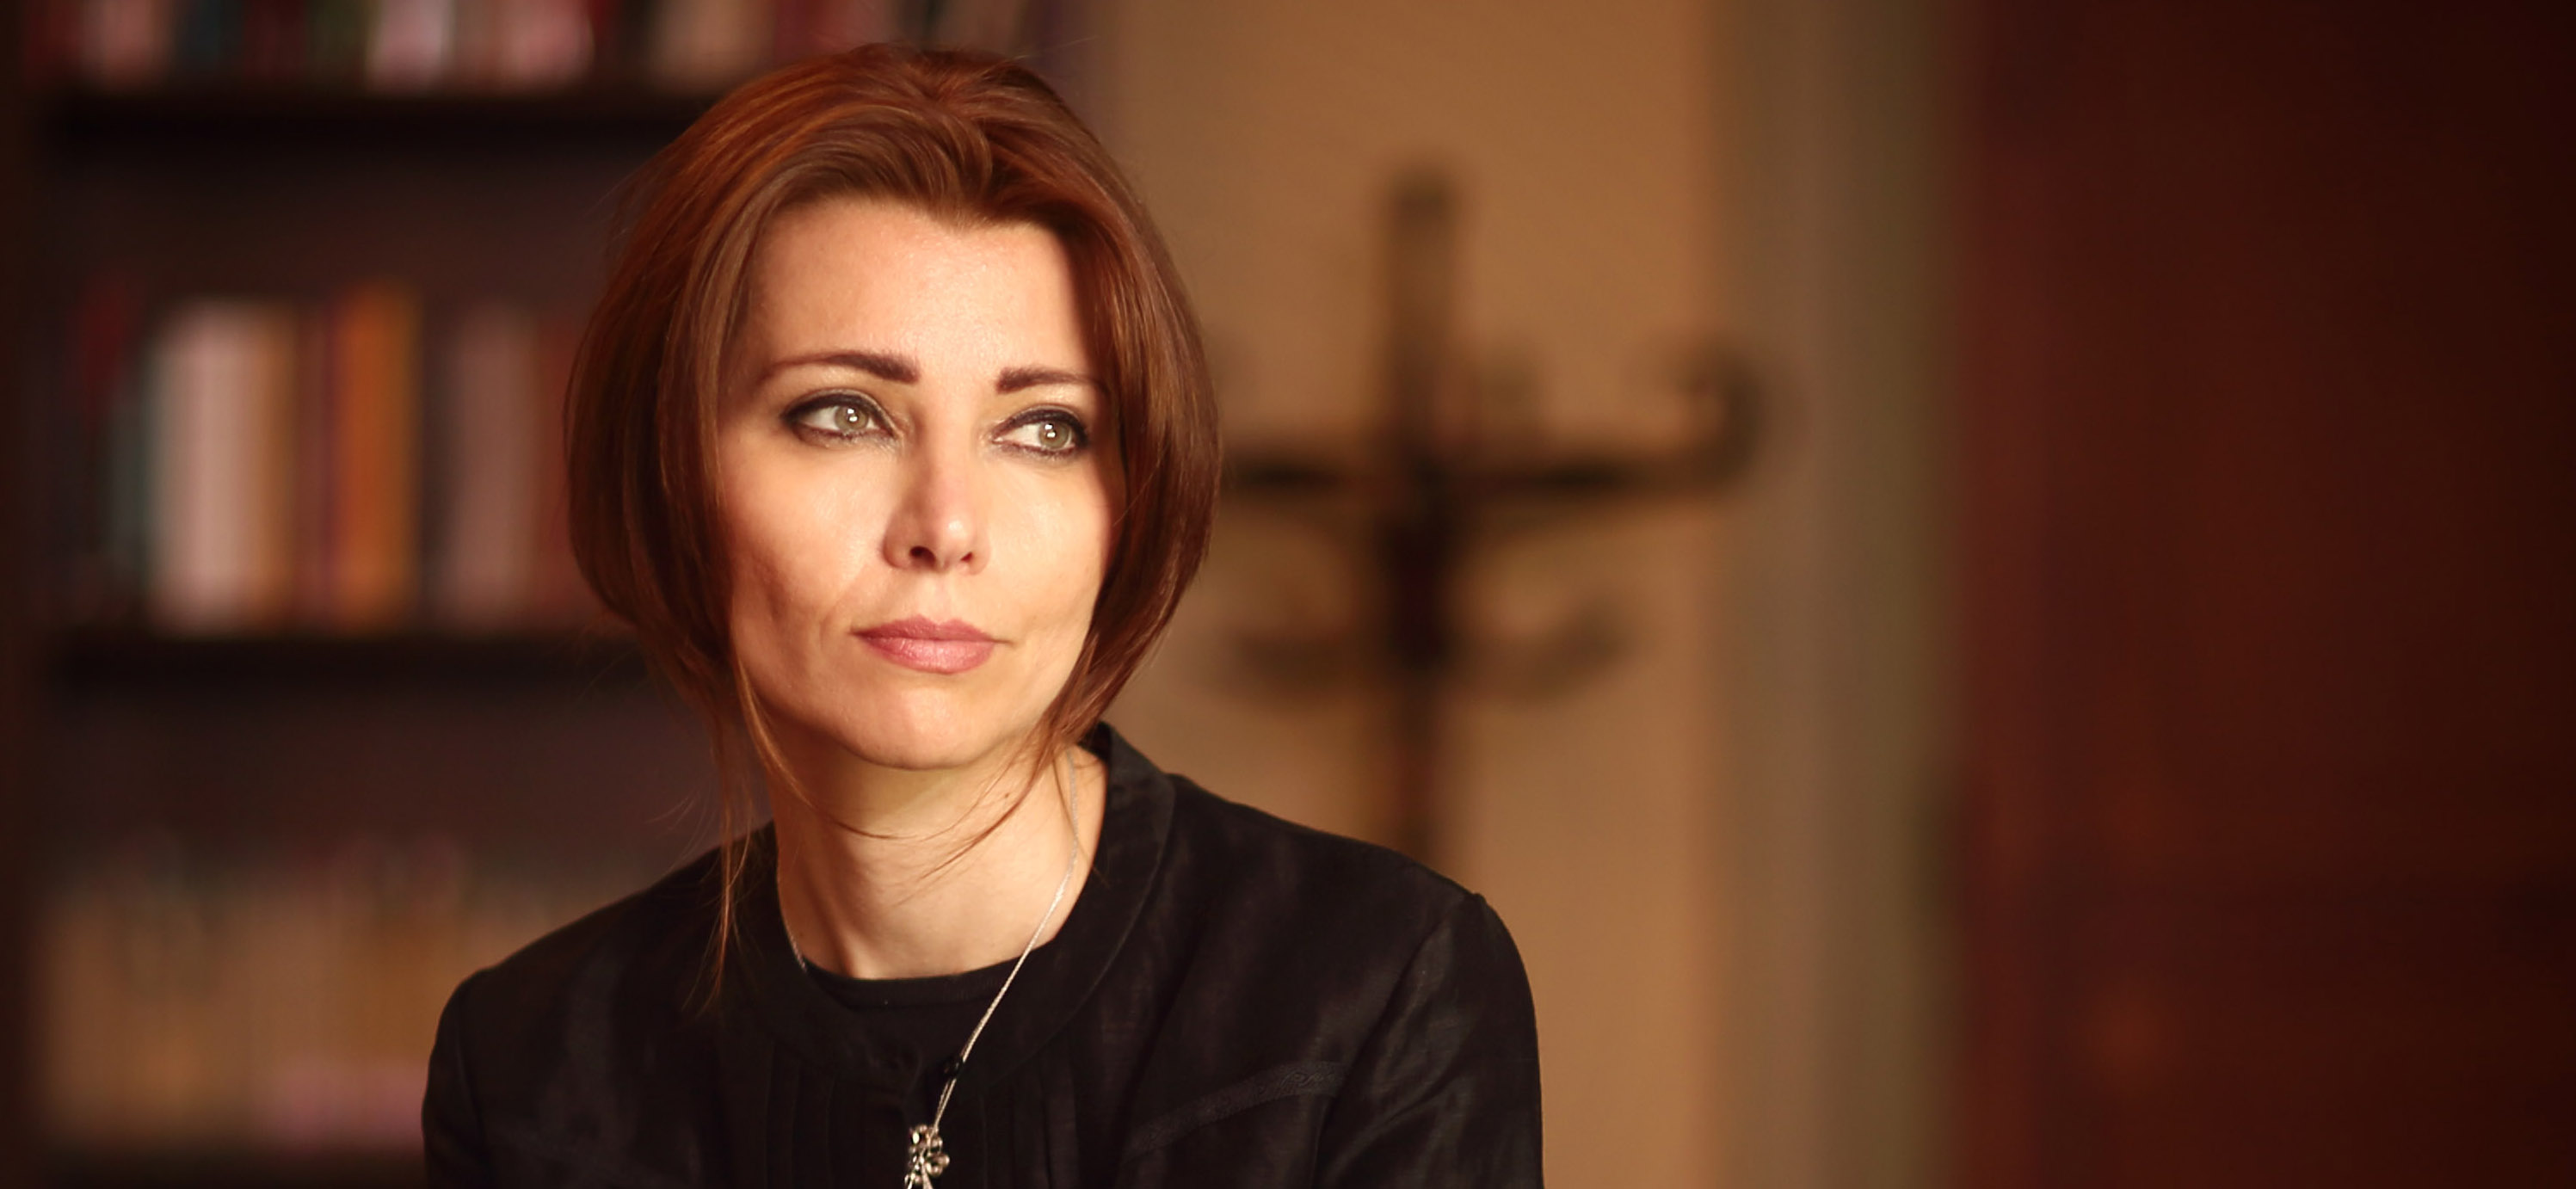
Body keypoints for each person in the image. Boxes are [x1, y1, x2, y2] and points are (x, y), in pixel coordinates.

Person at [422, 43, 1542, 1188]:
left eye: (1045, 429)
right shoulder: (527, 1070)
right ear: (672, 470)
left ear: (1129, 503)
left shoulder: (1380, 993)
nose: (947, 524)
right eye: (843, 413)